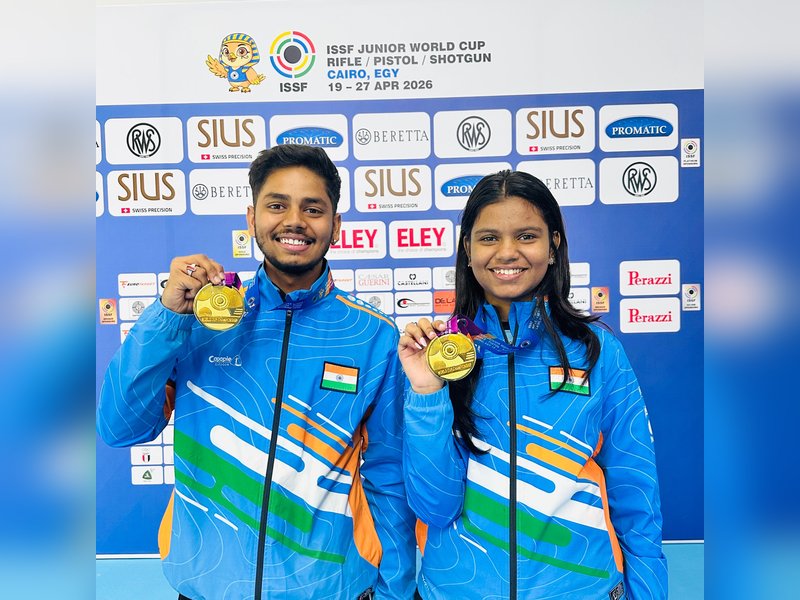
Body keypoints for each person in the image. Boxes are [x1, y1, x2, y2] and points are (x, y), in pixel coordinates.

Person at [97, 144, 416, 599]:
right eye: (276, 205)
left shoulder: (374, 335)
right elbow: (119, 427)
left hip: (331, 589)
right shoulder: (200, 320)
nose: (295, 221)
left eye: (313, 208)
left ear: (336, 226)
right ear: (251, 218)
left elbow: (389, 476)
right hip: (207, 588)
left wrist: (395, 592)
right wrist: (168, 314)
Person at [398, 170, 668, 599]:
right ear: (466, 248)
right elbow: (434, 505)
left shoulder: (597, 351)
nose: (507, 253)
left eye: (526, 235)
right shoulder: (438, 355)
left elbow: (636, 491)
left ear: (553, 244)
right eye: (488, 238)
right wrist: (428, 392)